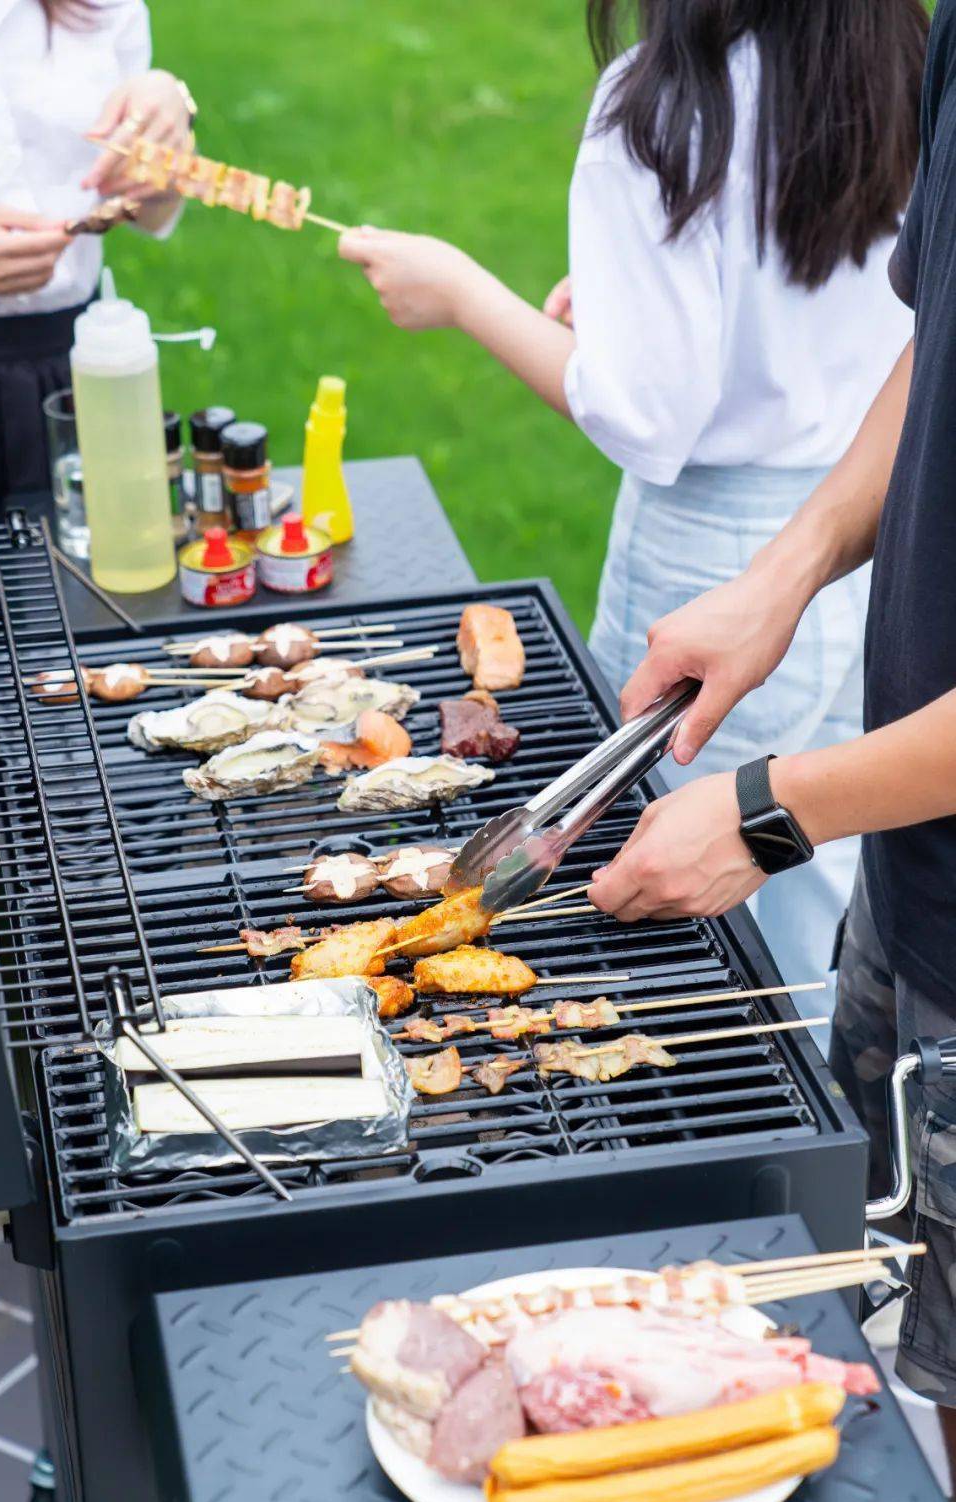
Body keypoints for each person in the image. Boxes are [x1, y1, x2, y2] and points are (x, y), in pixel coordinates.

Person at [337, 0, 926, 1010]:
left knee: (679, 911)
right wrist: (627, 308)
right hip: (876, 535)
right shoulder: (896, 48)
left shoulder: (659, 107)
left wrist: (464, 294)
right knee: (816, 876)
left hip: (719, 566)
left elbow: (648, 414)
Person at [578, 0, 956, 1490]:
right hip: (915, 888)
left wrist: (780, 805)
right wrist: (782, 575)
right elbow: (940, 344)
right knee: (875, 1322)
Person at [0, 0, 192, 525]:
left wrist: (159, 171)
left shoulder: (96, 9)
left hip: (84, 373)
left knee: (107, 591)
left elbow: (152, 211)